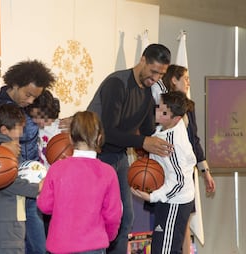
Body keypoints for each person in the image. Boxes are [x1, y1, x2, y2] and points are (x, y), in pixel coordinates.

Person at [86, 43, 173, 254]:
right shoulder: (117, 83)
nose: (155, 78)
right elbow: (108, 132)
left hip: (119, 155)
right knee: (99, 217)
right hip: (96, 156)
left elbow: (147, 129)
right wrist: (143, 142)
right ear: (142, 60)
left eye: (161, 75)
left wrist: (158, 103)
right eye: (153, 72)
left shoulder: (148, 92)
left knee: (126, 217)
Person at [0, 60, 55, 254]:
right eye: (28, 94)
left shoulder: (31, 107)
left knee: (39, 246)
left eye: (35, 97)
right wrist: (1, 146)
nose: (30, 101)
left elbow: (50, 119)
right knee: (11, 245)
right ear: (15, 84)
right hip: (9, 190)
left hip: (32, 187)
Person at [37, 110, 122, 253]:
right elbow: (113, 215)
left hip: (59, 246)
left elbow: (45, 206)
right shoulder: (108, 172)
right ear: (100, 138)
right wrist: (105, 237)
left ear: (70, 138)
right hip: (93, 246)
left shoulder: (56, 168)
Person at [131, 91, 196, 254]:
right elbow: (158, 91)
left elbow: (179, 180)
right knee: (160, 248)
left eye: (164, 112)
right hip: (168, 198)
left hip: (175, 200)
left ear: (176, 118)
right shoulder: (169, 124)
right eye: (159, 107)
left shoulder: (172, 144)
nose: (158, 112)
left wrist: (152, 196)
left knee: (165, 251)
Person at [161, 64, 216, 253]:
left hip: (186, 173)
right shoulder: (161, 106)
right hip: (167, 173)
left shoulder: (189, 108)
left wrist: (205, 172)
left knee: (184, 220)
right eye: (185, 78)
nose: (188, 82)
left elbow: (195, 141)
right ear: (173, 80)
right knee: (170, 224)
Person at [0, 103, 42, 254]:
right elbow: (9, 181)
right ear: (4, 130)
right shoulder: (6, 150)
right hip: (8, 215)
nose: (22, 132)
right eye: (19, 128)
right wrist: (37, 187)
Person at [25, 90, 62, 168]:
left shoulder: (61, 128)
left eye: (41, 117)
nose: (37, 121)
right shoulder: (34, 129)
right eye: (34, 117)